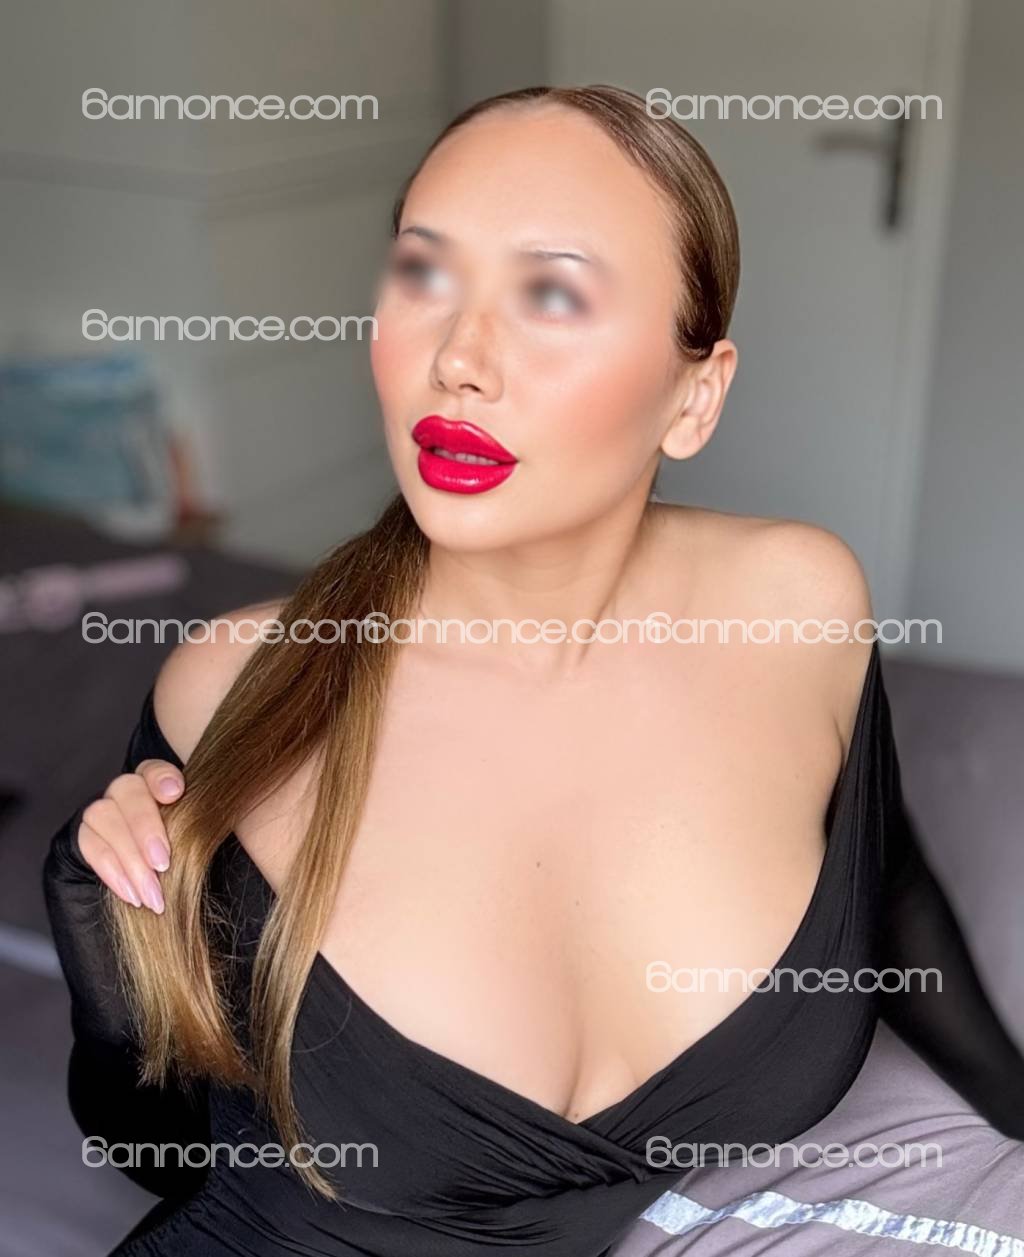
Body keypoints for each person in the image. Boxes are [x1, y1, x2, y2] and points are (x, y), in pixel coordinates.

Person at [43, 84, 1024, 1257]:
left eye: (552, 293)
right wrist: (113, 979)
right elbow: (161, 1156)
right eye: (423, 274)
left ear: (694, 396)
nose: (457, 359)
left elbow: (888, 886)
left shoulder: (797, 603)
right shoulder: (231, 690)